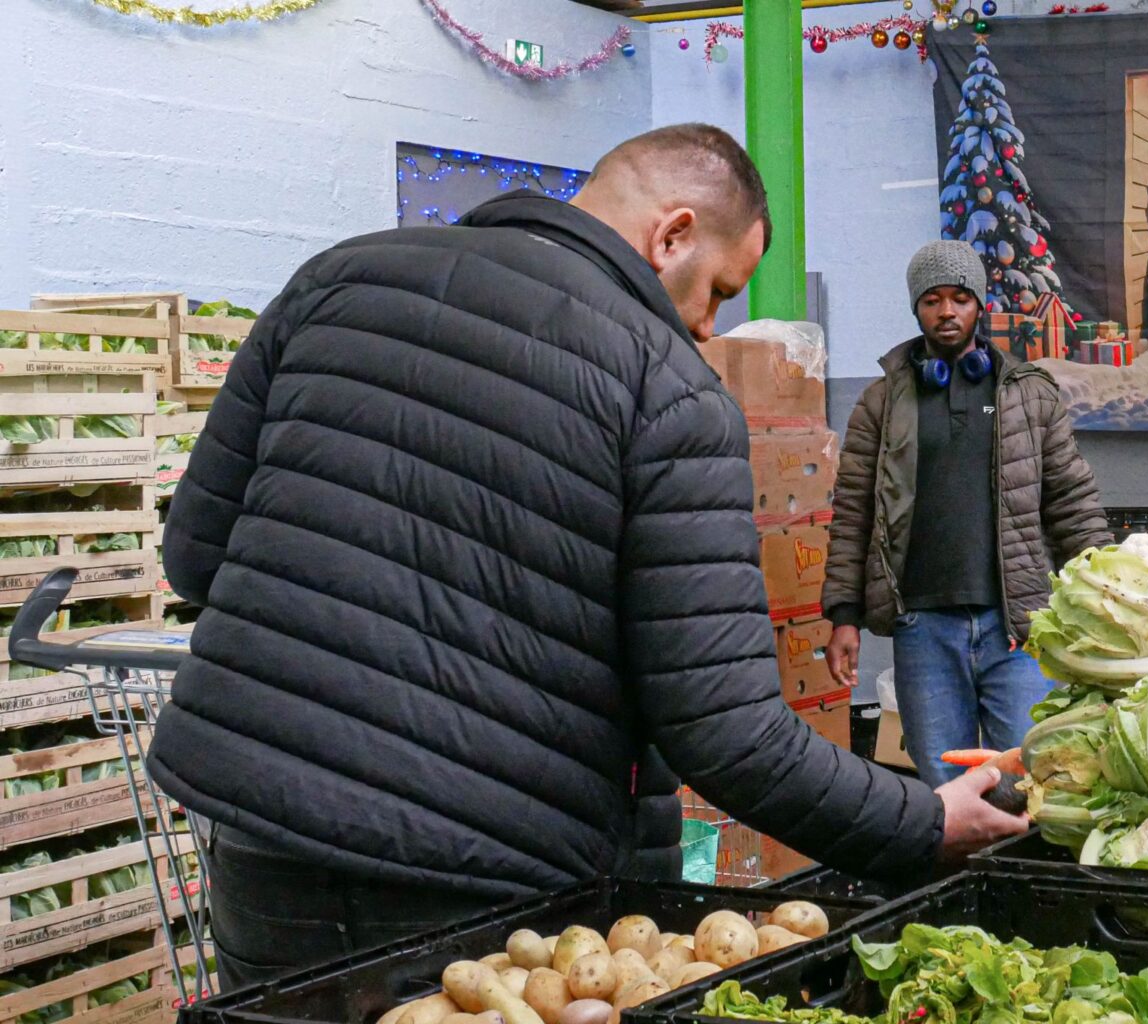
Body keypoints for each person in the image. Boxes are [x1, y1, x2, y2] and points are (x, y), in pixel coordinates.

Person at [148, 125, 1027, 989]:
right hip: (488, 879)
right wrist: (920, 820)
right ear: (671, 234)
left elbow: (194, 555)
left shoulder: (335, 280)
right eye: (717, 291)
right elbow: (725, 730)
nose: (708, 325)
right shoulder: (668, 390)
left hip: (261, 840)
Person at [823, 243, 1110, 785]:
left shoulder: (1030, 395)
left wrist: (1108, 595)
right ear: (916, 308)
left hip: (1018, 626)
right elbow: (853, 513)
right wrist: (844, 616)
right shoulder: (881, 403)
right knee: (945, 788)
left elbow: (1072, 501)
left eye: (960, 298)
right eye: (932, 300)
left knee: (1029, 779)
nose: (947, 311)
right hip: (922, 627)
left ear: (980, 304)